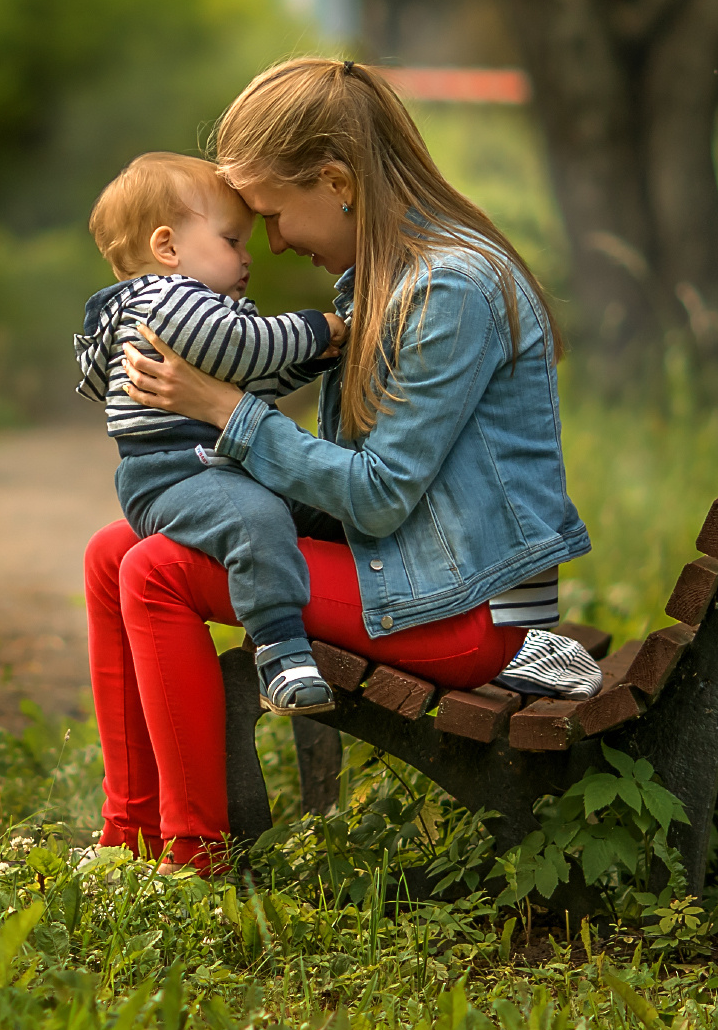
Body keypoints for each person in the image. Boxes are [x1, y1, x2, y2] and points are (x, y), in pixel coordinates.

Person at [86, 58, 603, 871]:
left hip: (469, 608)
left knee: (155, 570)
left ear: (336, 180)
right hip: (418, 570)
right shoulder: (386, 280)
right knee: (110, 551)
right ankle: (130, 828)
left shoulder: (449, 290)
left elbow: (381, 493)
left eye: (274, 214)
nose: (275, 240)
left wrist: (224, 409)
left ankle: (192, 853)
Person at [76, 152, 351, 715]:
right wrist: (313, 328)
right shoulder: (165, 300)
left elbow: (252, 375)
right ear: (168, 248)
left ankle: (360, 593)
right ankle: (281, 652)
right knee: (256, 519)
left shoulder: (195, 310)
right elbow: (246, 346)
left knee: (321, 509)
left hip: (208, 466)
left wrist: (309, 361)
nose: (248, 257)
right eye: (231, 240)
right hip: (175, 474)